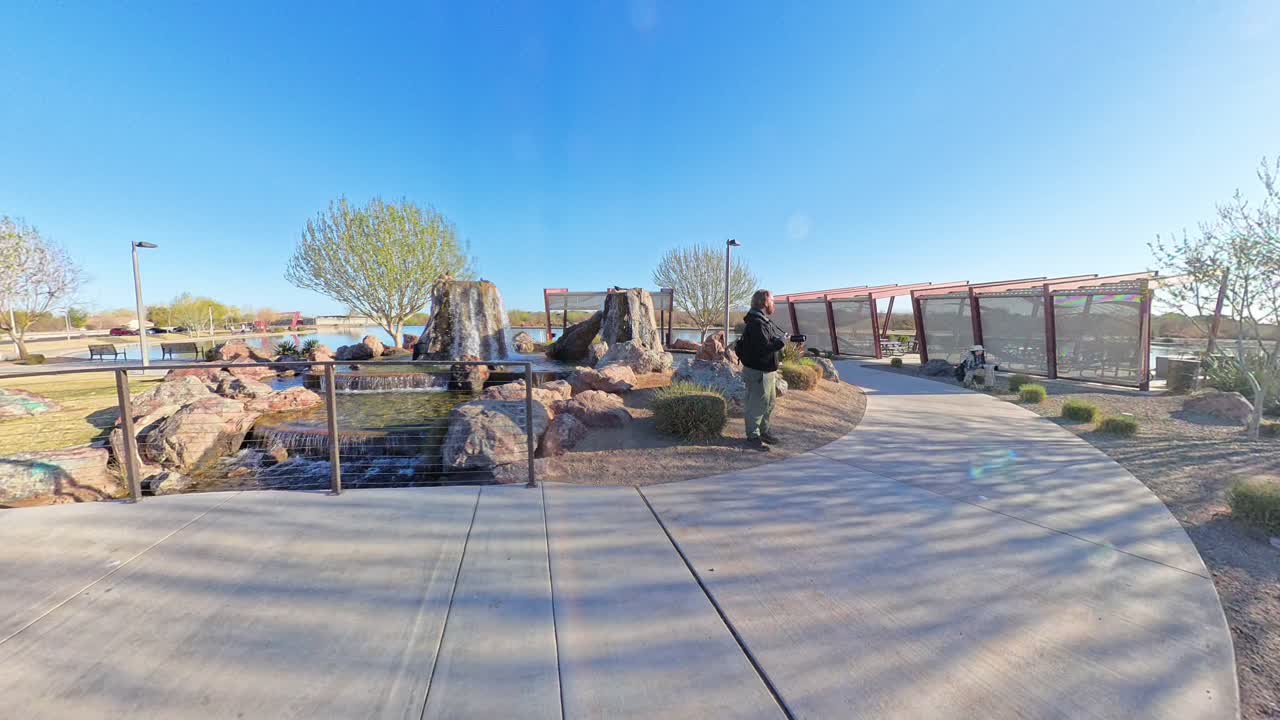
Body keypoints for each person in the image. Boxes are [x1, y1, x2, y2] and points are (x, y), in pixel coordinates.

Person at [736, 289, 788, 450]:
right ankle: (753, 436)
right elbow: (764, 347)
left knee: (768, 403)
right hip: (758, 371)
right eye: (772, 301)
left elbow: (765, 342)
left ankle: (764, 431)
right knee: (756, 405)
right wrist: (781, 342)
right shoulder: (756, 323)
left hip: (766, 370)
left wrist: (779, 340)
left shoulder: (761, 321)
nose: (774, 304)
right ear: (765, 302)